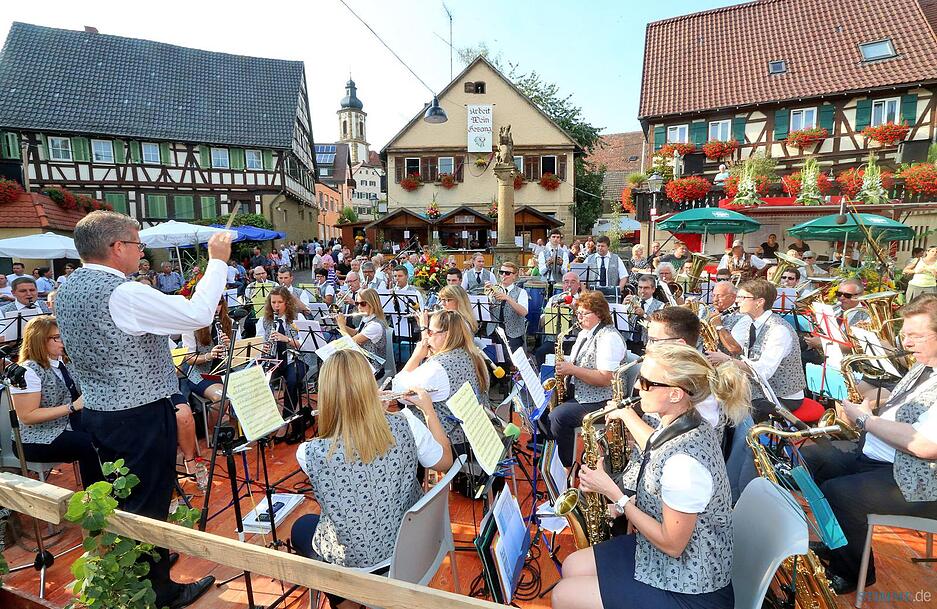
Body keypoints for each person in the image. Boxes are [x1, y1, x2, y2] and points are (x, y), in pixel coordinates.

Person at [54, 210, 227, 608]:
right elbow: (197, 314)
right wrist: (217, 261)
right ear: (117, 247)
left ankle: (145, 566)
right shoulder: (124, 293)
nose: (141, 251)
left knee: (125, 497)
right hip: (140, 414)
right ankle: (160, 592)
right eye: (137, 244)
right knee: (148, 502)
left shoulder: (68, 287)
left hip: (99, 412)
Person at [553, 343, 747, 609]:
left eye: (646, 383)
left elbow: (672, 545)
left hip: (691, 590)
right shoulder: (688, 421)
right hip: (671, 560)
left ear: (675, 394)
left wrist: (616, 495)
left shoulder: (684, 465)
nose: (636, 387)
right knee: (572, 565)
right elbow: (657, 453)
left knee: (562, 595)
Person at [290, 350, 451, 609]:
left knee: (303, 527)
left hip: (356, 564)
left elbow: (352, 471)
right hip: (409, 550)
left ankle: (348, 602)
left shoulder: (307, 453)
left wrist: (372, 415)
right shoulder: (407, 423)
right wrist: (427, 410)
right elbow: (445, 462)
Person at [799, 295, 937, 594]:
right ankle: (839, 545)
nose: (906, 343)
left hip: (921, 479)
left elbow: (926, 446)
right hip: (883, 458)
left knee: (840, 491)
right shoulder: (924, 366)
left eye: (916, 336)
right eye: (905, 334)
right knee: (812, 459)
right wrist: (869, 399)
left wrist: (864, 420)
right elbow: (902, 402)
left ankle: (852, 572)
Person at [9, 316, 103, 487]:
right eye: (57, 337)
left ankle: (114, 490)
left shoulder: (64, 361)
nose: (63, 341)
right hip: (35, 438)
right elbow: (27, 416)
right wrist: (72, 407)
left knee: (110, 432)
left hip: (67, 426)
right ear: (40, 340)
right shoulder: (28, 371)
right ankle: (98, 496)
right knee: (88, 444)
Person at [706, 279, 805, 423]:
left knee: (732, 415)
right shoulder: (753, 323)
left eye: (743, 297)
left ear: (759, 302)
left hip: (781, 395)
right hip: (760, 390)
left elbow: (763, 371)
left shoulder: (778, 330)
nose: (737, 301)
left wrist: (727, 360)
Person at [548, 291, 628, 466]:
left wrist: (572, 369)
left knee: (558, 418)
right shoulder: (585, 333)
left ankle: (567, 467)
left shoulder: (608, 338)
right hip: (582, 394)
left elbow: (605, 378)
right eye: (578, 313)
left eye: (584, 313)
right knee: (542, 411)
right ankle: (550, 458)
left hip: (603, 400)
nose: (579, 317)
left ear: (599, 314)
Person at [395, 309, 490, 453]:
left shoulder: (438, 367)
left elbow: (399, 393)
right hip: (470, 438)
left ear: (446, 335)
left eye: (430, 332)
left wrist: (416, 357)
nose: (427, 337)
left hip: (448, 445)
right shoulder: (471, 355)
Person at [261, 286, 311, 443]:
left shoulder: (297, 318)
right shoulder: (266, 320)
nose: (276, 306)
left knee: (292, 380)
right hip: (275, 359)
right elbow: (260, 340)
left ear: (287, 302)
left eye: (280, 302)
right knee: (261, 382)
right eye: (273, 302)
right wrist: (264, 347)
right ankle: (268, 421)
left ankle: (286, 420)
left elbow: (306, 344)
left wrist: (287, 339)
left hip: (297, 358)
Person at [335, 288, 389, 370]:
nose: (359, 307)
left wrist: (342, 326)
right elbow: (357, 332)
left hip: (372, 367)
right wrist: (339, 323)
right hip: (361, 361)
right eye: (357, 303)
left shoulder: (375, 325)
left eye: (363, 304)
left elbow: (350, 344)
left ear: (372, 304)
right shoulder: (366, 318)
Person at [490, 261, 528, 354]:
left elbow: (523, 312)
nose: (503, 275)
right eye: (501, 272)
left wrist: (508, 298)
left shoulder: (521, 292)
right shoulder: (494, 289)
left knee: (510, 359)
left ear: (514, 276)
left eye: (507, 273)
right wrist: (487, 297)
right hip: (493, 331)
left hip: (513, 334)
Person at [625, 275, 665, 356]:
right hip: (628, 342)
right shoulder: (632, 300)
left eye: (646, 288)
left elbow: (659, 326)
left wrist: (644, 315)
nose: (642, 291)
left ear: (653, 289)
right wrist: (623, 307)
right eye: (640, 287)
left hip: (646, 344)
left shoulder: (661, 305)